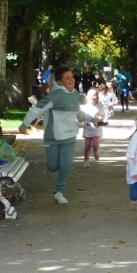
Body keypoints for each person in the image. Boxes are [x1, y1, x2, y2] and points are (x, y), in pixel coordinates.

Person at [19, 66, 95, 204]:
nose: (71, 80)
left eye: (72, 77)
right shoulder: (54, 96)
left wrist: (93, 119)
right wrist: (25, 124)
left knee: (66, 165)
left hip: (70, 136)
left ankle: (58, 192)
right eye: (67, 78)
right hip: (53, 137)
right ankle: (57, 169)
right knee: (52, 167)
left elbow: (78, 113)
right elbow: (37, 109)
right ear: (60, 82)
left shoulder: (76, 94)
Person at [81, 88, 107, 168]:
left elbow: (102, 116)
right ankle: (86, 161)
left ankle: (96, 150)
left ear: (97, 97)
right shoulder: (84, 107)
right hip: (87, 129)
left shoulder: (100, 107)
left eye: (94, 95)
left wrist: (100, 118)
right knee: (87, 146)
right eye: (90, 95)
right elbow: (81, 117)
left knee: (95, 144)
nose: (92, 97)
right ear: (87, 97)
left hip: (97, 129)